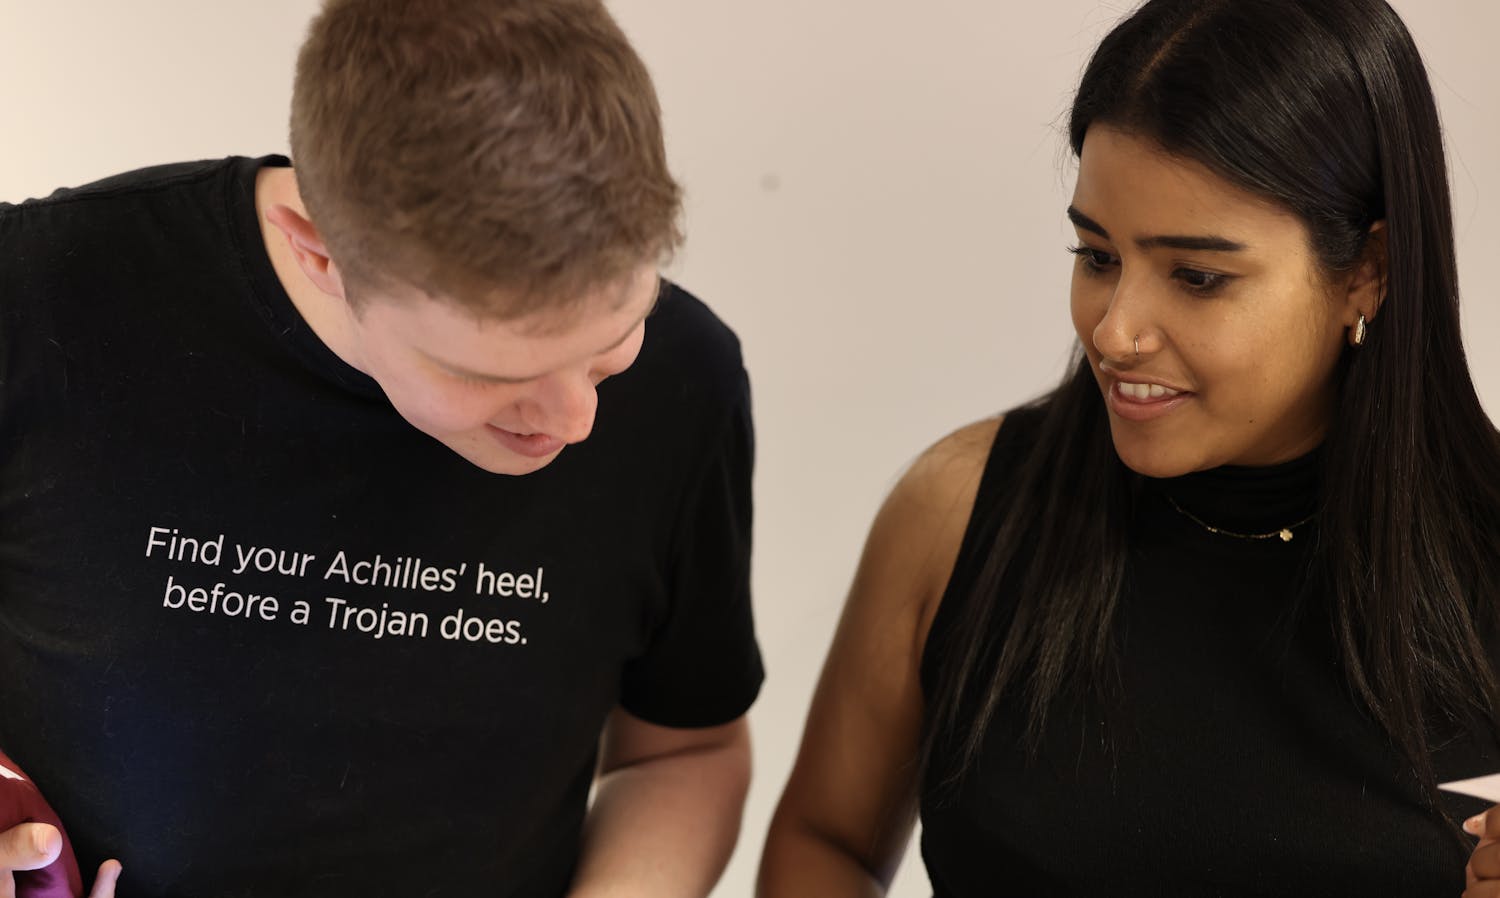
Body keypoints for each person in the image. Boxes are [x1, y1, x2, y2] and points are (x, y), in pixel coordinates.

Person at [0, 1, 763, 896]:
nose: (575, 418)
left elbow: (685, 751)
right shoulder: (36, 302)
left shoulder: (688, 378)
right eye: (489, 371)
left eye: (613, 338)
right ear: (318, 253)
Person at [758, 0, 1500, 895]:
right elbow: (825, 841)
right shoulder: (959, 508)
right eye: (1097, 256)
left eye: (1197, 276)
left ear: (1367, 272)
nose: (1113, 334)